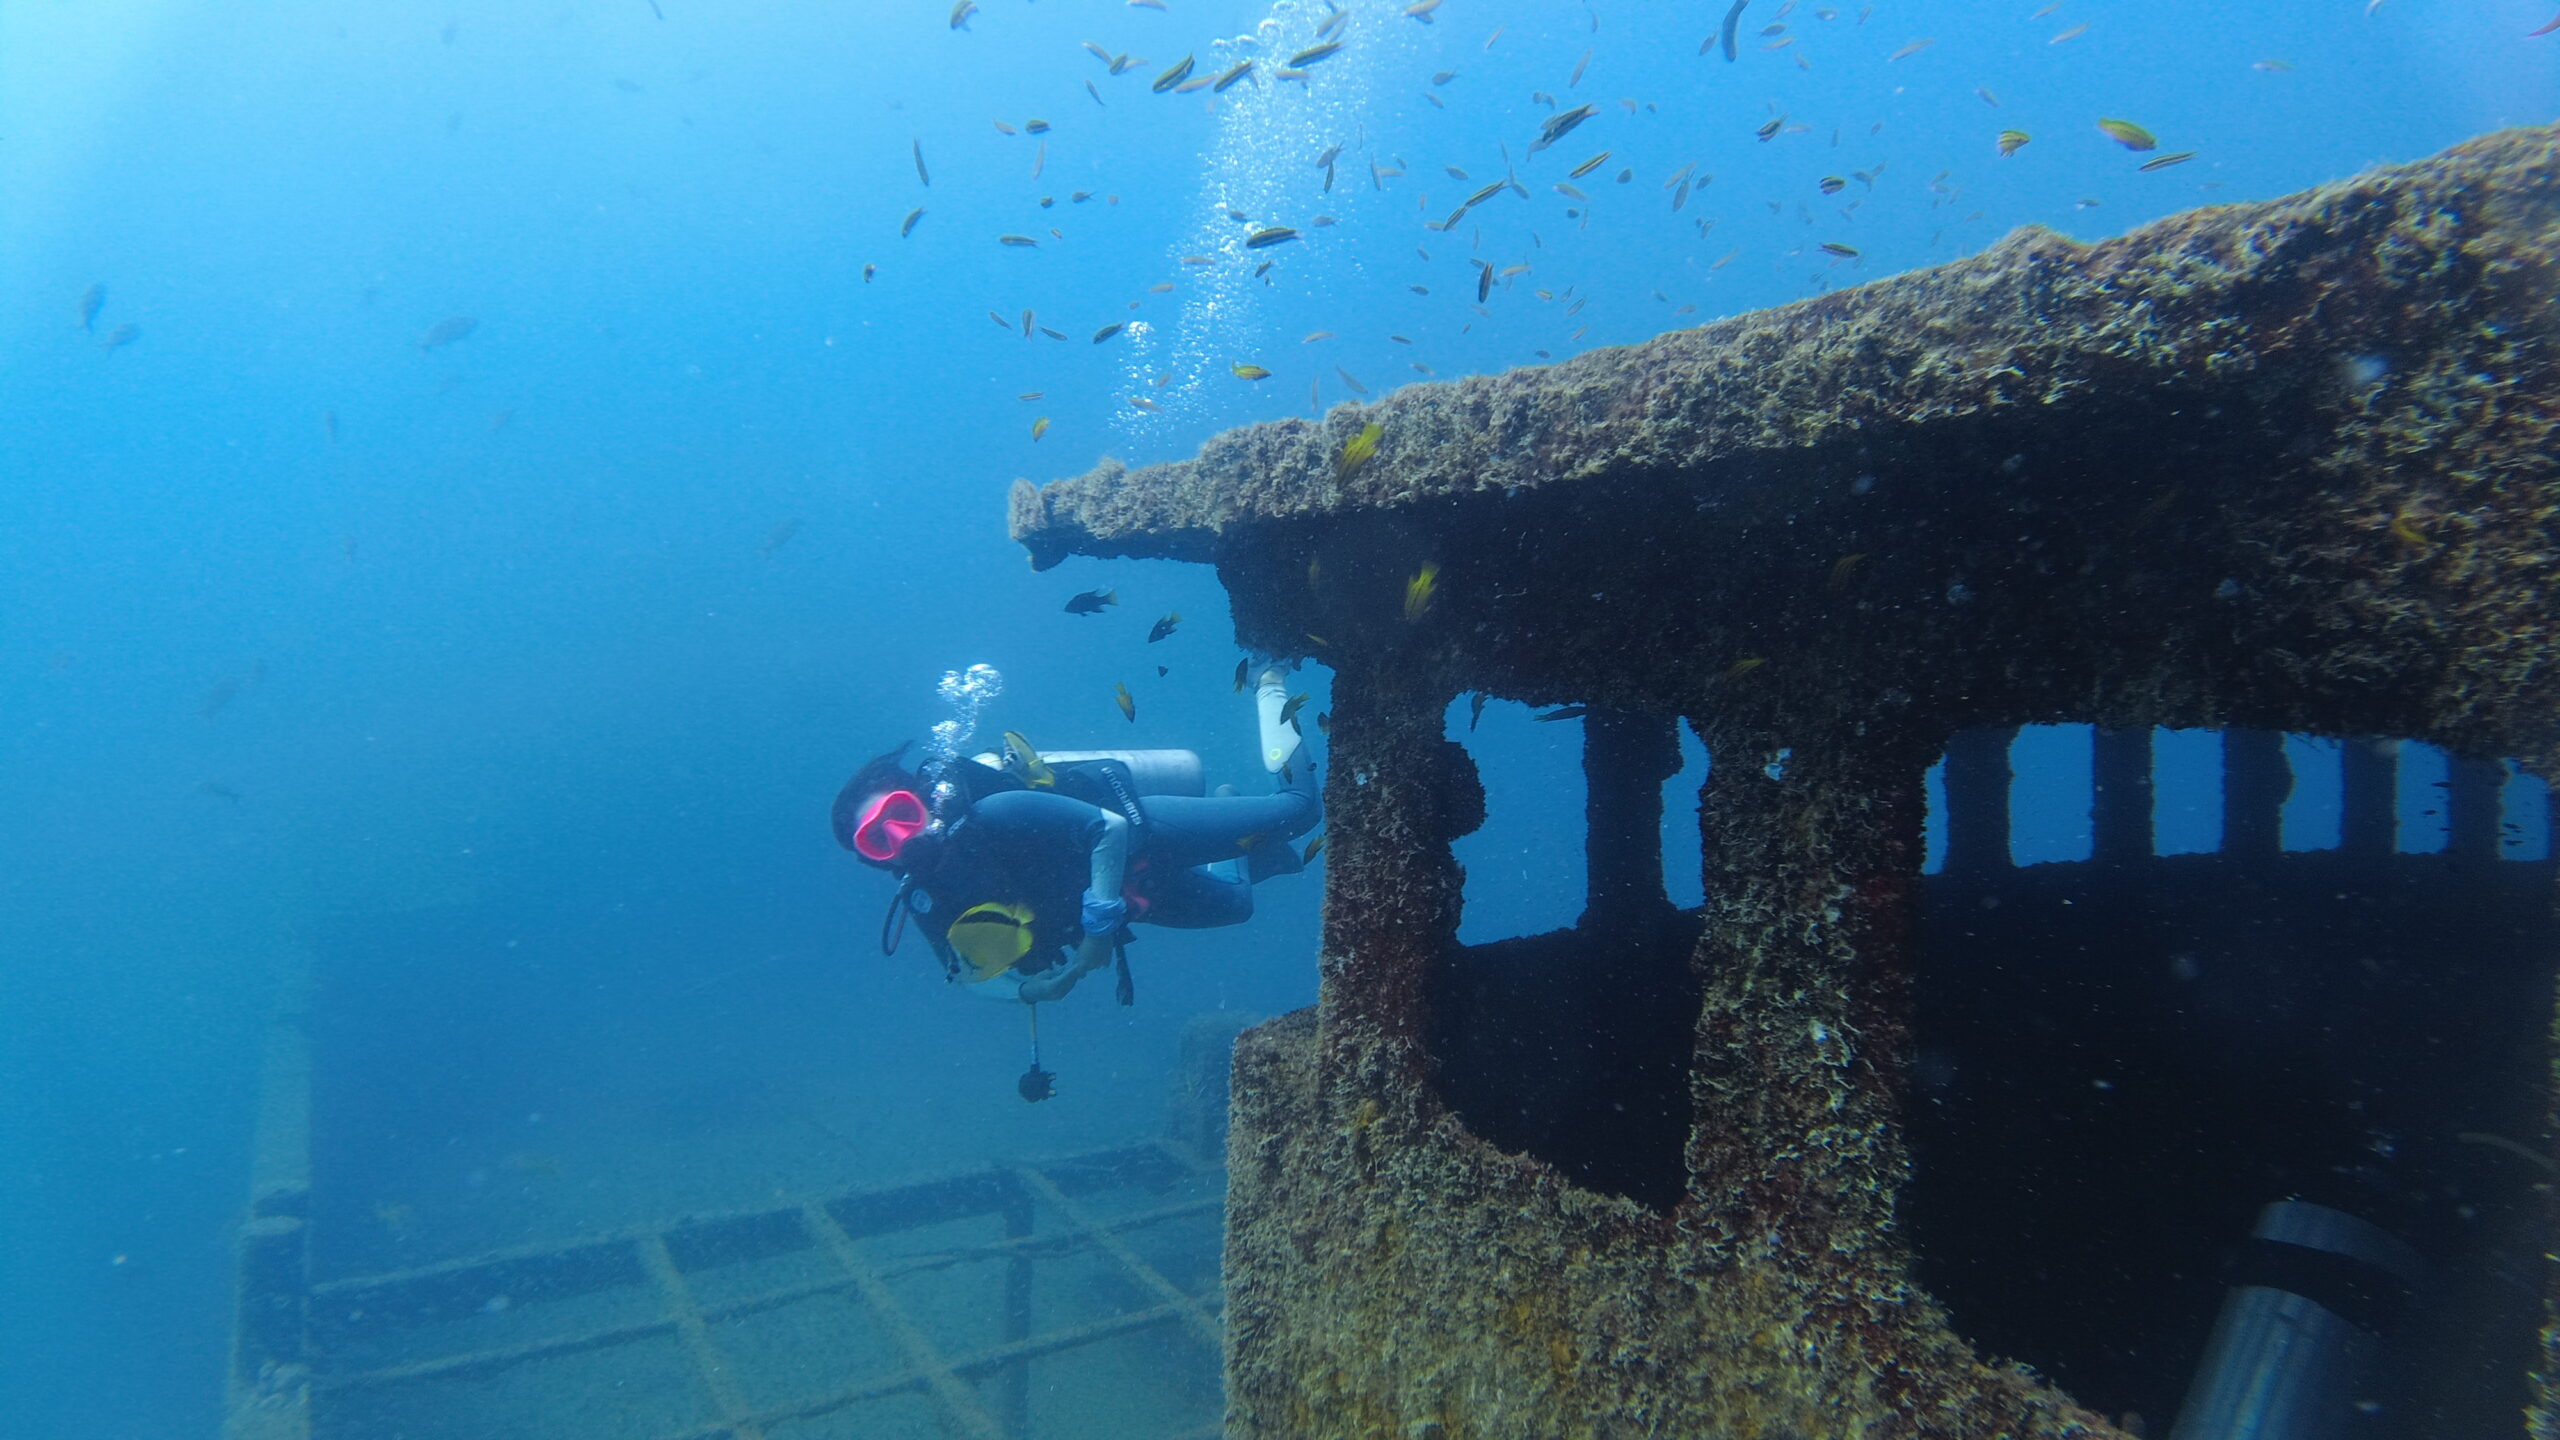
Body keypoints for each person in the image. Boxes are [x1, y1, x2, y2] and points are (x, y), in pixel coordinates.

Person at [833, 665, 1320, 1010]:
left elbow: (1106, 828)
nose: (903, 836)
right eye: (880, 839)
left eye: (901, 814)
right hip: (1136, 896)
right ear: (876, 860)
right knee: (1237, 907)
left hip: (1143, 836)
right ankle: (1230, 809)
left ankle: (1269, 681)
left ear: (920, 801)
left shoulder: (992, 813)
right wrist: (1032, 991)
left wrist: (1095, 933)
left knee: (1300, 812)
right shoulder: (926, 898)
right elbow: (963, 978)